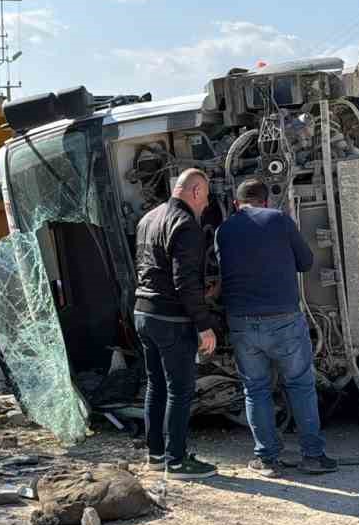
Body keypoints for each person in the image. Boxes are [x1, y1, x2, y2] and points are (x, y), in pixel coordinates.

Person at [215, 179, 335, 476]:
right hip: (283, 319)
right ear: (266, 201)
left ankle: (267, 460)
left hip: (241, 322)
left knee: (255, 389)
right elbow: (306, 262)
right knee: (300, 385)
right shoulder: (279, 220)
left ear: (235, 203)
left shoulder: (224, 230)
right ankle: (312, 457)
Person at [133, 168, 218, 479]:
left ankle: (156, 456)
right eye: (206, 198)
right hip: (170, 319)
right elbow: (184, 282)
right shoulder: (185, 225)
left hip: (143, 313)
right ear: (195, 192)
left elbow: (146, 269)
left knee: (155, 386)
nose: (206, 205)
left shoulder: (147, 219)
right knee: (180, 390)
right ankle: (177, 461)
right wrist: (204, 325)